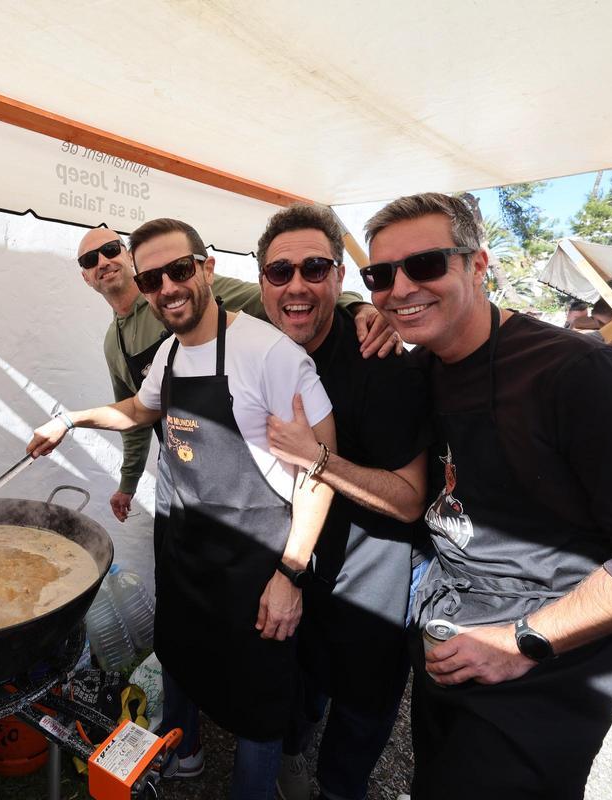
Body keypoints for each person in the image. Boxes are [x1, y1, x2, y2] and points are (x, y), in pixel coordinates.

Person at [361, 192, 612, 799]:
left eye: (424, 265)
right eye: (379, 275)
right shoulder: (426, 368)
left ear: (478, 265)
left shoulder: (577, 373)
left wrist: (524, 640)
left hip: (546, 662)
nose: (399, 288)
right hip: (452, 642)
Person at [33, 218, 336, 800]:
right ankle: (185, 755)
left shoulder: (269, 351)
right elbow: (139, 412)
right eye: (153, 278)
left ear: (207, 268)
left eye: (179, 270)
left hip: (255, 563)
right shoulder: (168, 353)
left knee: (259, 698)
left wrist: (291, 573)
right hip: (185, 553)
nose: (168, 286)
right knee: (180, 656)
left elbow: (320, 472)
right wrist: (71, 419)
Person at [255, 204, 433, 800]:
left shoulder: (380, 364)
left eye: (314, 268)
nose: (296, 285)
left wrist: (319, 458)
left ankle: (339, 788)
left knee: (362, 705)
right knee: (297, 680)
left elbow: (410, 502)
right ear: (261, 283)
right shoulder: (258, 349)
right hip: (293, 560)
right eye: (280, 272)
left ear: (337, 277)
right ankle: (294, 756)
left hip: (368, 575)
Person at [75, 226, 395, 522]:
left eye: (111, 249)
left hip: (247, 485)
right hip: (184, 476)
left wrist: (354, 306)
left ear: (128, 258)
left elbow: (280, 296)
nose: (103, 261)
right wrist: (128, 482)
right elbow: (135, 415)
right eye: (91, 260)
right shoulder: (113, 345)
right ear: (86, 278)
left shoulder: (191, 294)